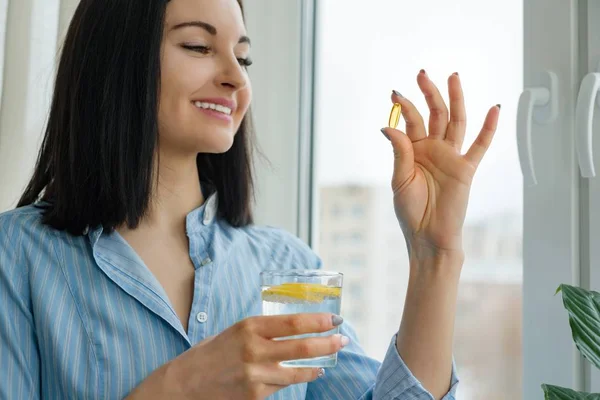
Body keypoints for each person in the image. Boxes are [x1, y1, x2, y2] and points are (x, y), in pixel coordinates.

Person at [0, 0, 500, 399]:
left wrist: (436, 255)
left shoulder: (287, 266)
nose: (236, 78)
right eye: (198, 46)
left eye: (243, 57)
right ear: (115, 57)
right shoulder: (16, 255)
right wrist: (178, 388)